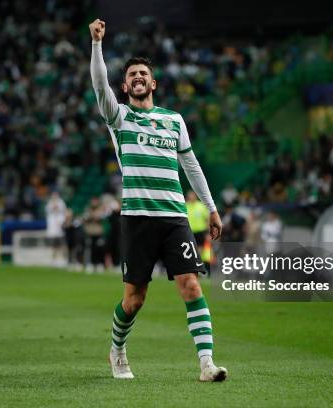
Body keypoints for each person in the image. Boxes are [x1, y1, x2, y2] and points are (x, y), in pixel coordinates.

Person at [89, 19, 226, 382]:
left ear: (153, 83)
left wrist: (211, 207)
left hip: (174, 218)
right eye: (132, 73)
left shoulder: (174, 120)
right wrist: (97, 44)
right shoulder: (119, 117)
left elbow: (191, 165)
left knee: (192, 285)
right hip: (136, 219)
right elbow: (98, 84)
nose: (137, 77)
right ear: (125, 84)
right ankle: (117, 351)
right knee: (134, 299)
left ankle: (206, 363)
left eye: (143, 73)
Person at [45, 191, 67, 266]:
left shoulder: (61, 203)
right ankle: (54, 260)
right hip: (53, 229)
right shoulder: (49, 203)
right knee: (53, 245)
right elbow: (49, 210)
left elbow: (61, 211)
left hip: (60, 228)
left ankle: (63, 259)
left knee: (62, 244)